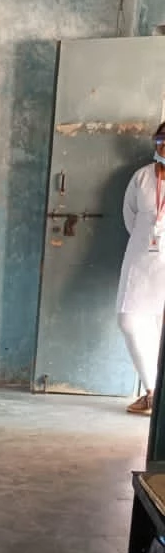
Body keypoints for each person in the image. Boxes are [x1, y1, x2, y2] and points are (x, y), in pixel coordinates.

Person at [118, 122, 165, 415]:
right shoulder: (142, 177)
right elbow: (130, 217)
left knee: (161, 329)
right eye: (162, 140)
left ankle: (157, 401)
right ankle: (151, 390)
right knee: (129, 321)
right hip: (140, 259)